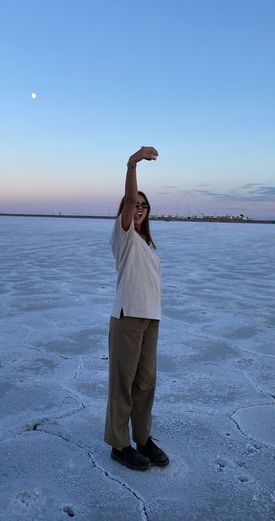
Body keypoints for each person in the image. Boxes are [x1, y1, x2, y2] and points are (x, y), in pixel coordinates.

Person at [104, 146, 169, 470]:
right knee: (123, 384)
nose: (140, 207)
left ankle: (143, 439)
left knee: (146, 383)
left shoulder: (147, 244)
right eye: (136, 204)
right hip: (127, 317)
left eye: (145, 205)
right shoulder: (124, 234)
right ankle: (119, 444)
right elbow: (128, 200)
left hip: (150, 319)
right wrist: (132, 164)